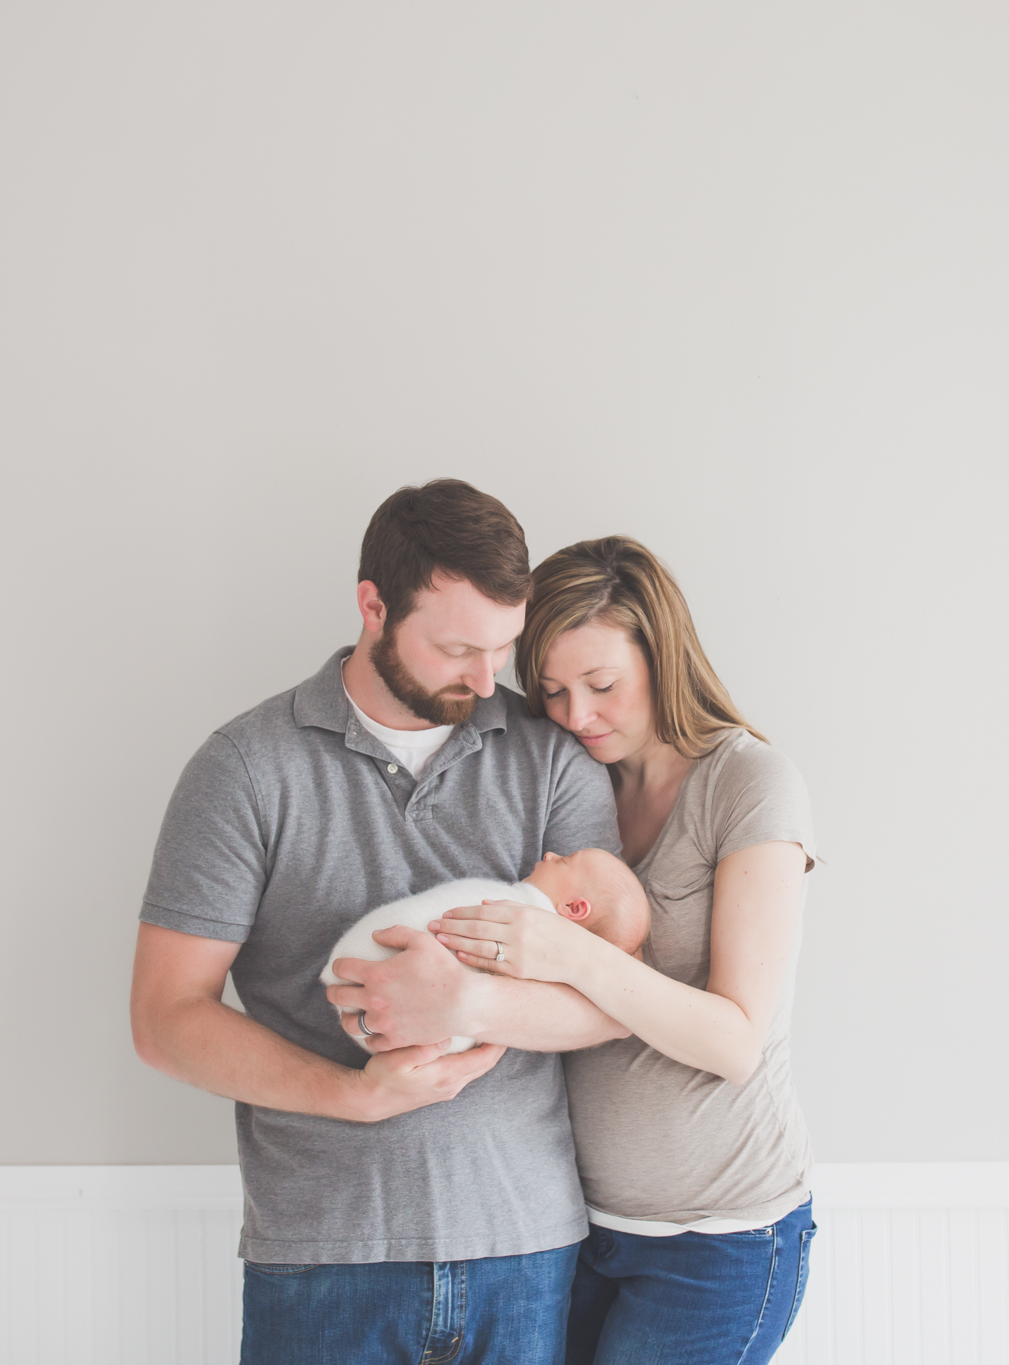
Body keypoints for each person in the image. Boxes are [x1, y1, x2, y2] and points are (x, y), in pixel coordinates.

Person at [129, 480, 625, 1365]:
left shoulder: (554, 761)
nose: (486, 679)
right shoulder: (245, 769)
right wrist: (355, 1096)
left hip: (523, 1247)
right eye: (457, 648)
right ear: (372, 605)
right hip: (323, 1256)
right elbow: (166, 1019)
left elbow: (612, 999)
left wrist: (460, 1003)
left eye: (503, 649)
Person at [423, 536, 820, 1364]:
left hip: (717, 1242)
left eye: (602, 685)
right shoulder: (572, 781)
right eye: (555, 690)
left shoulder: (749, 784)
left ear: (661, 653)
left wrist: (570, 952)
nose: (575, 715)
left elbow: (734, 1038)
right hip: (578, 1227)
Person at [320, 848, 652, 1054]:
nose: (550, 854)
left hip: (359, 976)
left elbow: (624, 1008)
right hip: (379, 1008)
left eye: (564, 861)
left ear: (575, 908)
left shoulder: (519, 913)